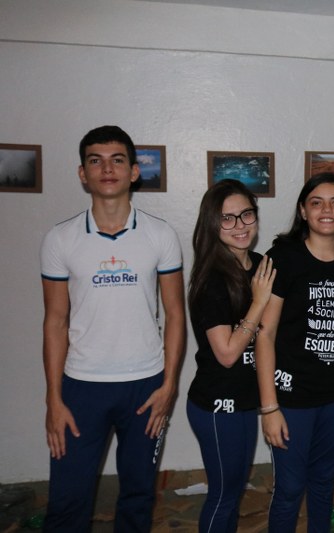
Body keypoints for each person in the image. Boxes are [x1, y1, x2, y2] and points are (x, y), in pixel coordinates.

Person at [40, 125, 186, 531]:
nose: (107, 169)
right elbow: (55, 321)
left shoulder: (160, 234)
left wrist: (169, 385)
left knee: (138, 496)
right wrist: (53, 397)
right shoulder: (60, 238)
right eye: (96, 161)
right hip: (81, 387)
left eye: (117, 160)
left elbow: (175, 314)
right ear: (82, 173)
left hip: (145, 386)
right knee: (67, 499)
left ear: (134, 171)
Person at [257, 173, 334, 532]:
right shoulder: (283, 258)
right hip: (291, 398)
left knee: (323, 483)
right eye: (316, 203)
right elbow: (265, 334)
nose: (326, 210)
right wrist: (269, 407)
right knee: (289, 489)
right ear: (303, 210)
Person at [186, 179, 276, 532]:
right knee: (223, 495)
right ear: (213, 223)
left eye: (246, 214)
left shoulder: (261, 265)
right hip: (216, 404)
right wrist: (258, 303)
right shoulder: (211, 279)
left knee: (235, 492)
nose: (240, 225)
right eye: (228, 218)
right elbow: (226, 353)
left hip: (245, 400)